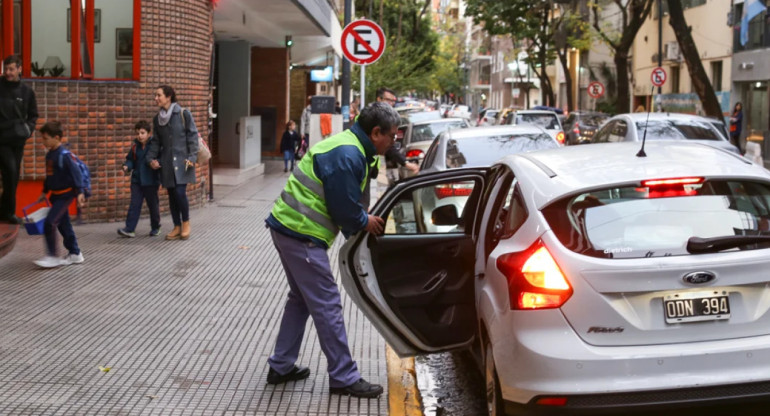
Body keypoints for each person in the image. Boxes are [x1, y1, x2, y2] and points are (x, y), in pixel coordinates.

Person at [263, 102, 399, 398]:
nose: (394, 142)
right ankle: (343, 376)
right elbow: (345, 211)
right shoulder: (347, 154)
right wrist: (366, 223)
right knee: (327, 304)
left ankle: (281, 365)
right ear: (376, 133)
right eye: (392, 136)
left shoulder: (352, 146)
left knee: (300, 298)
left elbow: (355, 188)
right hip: (302, 234)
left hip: (286, 227)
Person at [147, 85, 198, 241]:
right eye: (156, 95)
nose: (156, 98)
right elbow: (156, 142)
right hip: (167, 163)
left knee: (180, 193)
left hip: (184, 161)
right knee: (171, 195)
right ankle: (176, 226)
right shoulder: (157, 119)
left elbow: (192, 136)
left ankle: (186, 222)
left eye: (158, 95)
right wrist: (151, 159)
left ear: (168, 97)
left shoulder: (183, 114)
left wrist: (192, 157)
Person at [33, 121, 85, 268]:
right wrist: (44, 191)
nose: (43, 141)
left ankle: (52, 256)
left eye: (46, 138)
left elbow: (77, 174)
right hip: (55, 196)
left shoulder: (65, 155)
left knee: (49, 223)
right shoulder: (50, 155)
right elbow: (49, 176)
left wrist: (80, 192)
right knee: (64, 225)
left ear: (57, 137)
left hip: (65, 196)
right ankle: (75, 253)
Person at [0, 55, 38, 224]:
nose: (7, 72)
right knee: (10, 171)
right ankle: (8, 213)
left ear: (19, 69)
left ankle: (5, 212)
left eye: (11, 69)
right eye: (5, 69)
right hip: (1, 139)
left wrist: (28, 130)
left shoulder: (27, 91)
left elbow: (33, 115)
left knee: (13, 177)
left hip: (18, 141)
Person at [118, 120, 161, 238]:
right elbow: (130, 159)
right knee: (134, 204)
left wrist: (158, 163)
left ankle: (156, 227)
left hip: (151, 180)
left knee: (153, 205)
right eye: (137, 133)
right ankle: (129, 229)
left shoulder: (154, 146)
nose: (140, 136)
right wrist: (127, 166)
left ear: (149, 133)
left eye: (142, 133)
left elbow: (161, 158)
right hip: (137, 180)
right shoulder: (135, 147)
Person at [376, 87, 418, 185]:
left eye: (393, 101)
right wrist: (406, 163)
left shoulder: (385, 116)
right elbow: (388, 145)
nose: (391, 103)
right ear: (379, 99)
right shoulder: (379, 118)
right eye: (388, 100)